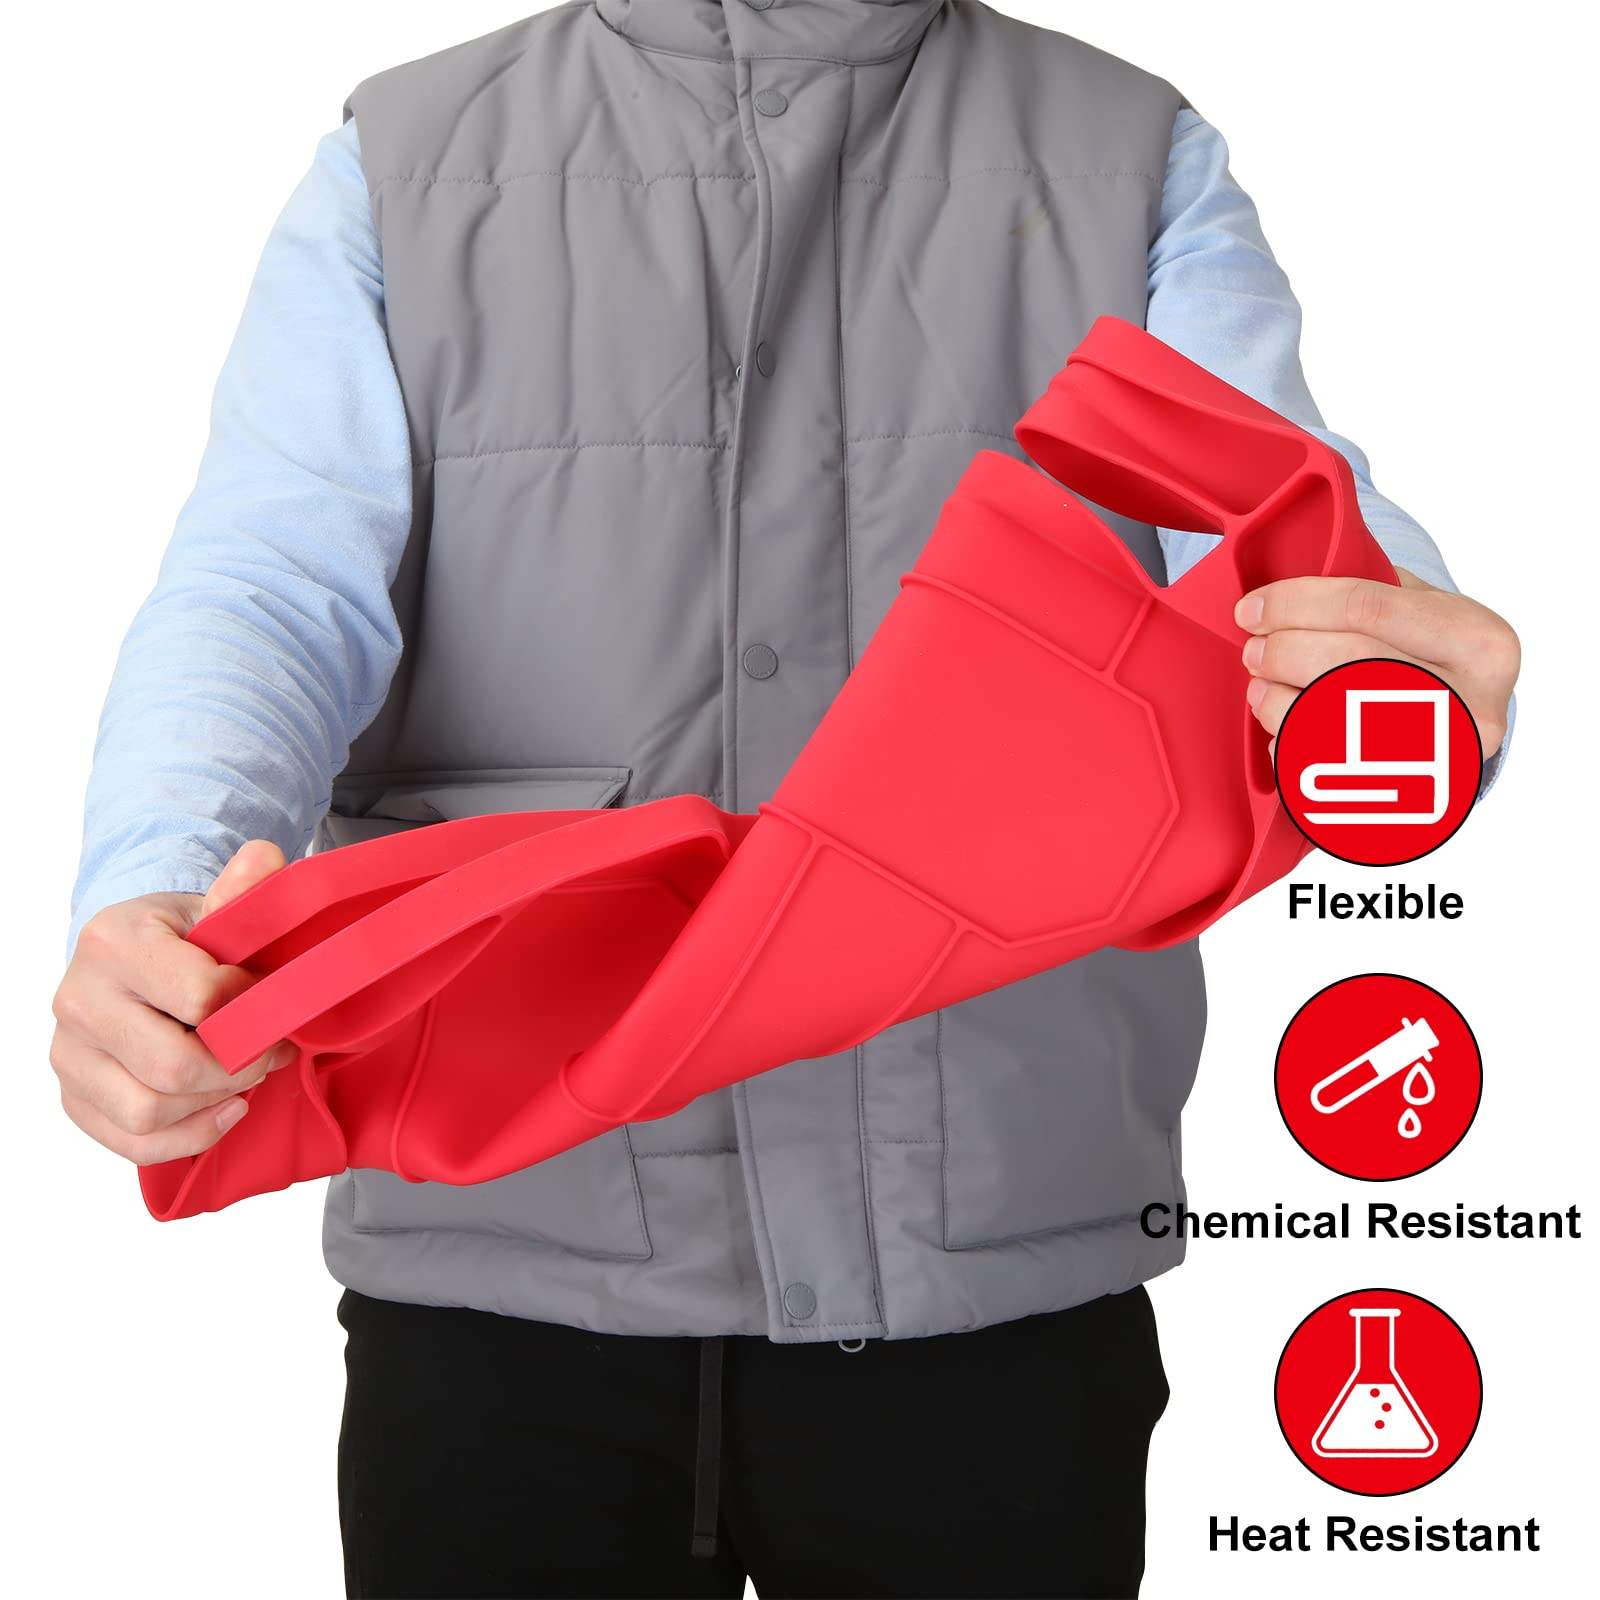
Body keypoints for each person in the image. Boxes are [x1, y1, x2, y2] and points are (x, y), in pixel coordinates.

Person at [51, 3, 1519, 1596]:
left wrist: (1398, 668)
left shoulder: (1127, 150)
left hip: (995, 1274)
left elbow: (1277, 508)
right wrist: (164, 877)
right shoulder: (405, 160)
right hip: (499, 1274)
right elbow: (272, 583)